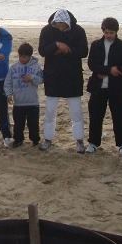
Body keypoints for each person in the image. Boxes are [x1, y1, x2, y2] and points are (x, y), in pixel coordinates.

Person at [38, 9, 88, 153]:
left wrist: (68, 50)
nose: (59, 27)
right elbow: (42, 50)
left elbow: (84, 51)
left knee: (76, 111)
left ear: (67, 23)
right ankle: (47, 139)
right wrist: (57, 45)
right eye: (57, 24)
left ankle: (79, 141)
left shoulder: (78, 31)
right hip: (53, 76)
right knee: (50, 111)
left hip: (72, 76)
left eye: (62, 25)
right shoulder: (47, 30)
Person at [85, 18, 122, 156]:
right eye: (106, 32)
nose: (108, 35)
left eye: (111, 32)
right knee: (95, 116)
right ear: (103, 31)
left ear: (116, 32)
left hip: (117, 88)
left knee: (119, 117)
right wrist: (107, 70)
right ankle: (93, 143)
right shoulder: (96, 45)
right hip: (98, 87)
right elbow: (91, 64)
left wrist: (114, 70)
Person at [4, 42, 43, 148]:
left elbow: (41, 80)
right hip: (18, 103)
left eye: (25, 57)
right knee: (18, 124)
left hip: (33, 103)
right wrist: (9, 94)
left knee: (33, 124)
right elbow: (7, 83)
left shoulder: (36, 67)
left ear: (30, 56)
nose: (22, 59)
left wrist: (32, 78)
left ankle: (35, 140)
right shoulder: (13, 67)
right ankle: (18, 140)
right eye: (20, 56)